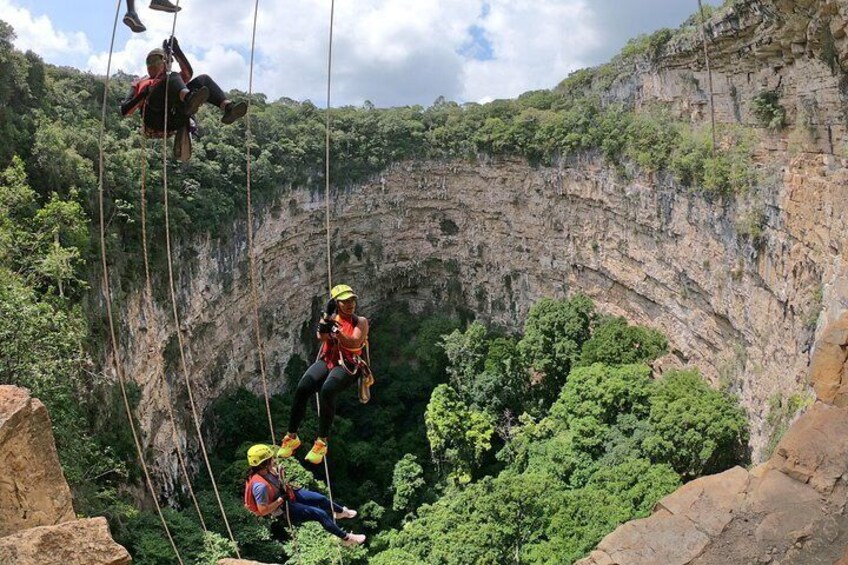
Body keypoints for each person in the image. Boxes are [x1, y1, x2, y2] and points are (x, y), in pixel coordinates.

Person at [279, 284, 370, 465]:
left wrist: (335, 329)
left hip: (348, 365)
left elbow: (354, 342)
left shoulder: (360, 321)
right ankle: (291, 436)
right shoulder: (331, 318)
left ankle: (321, 441)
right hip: (328, 360)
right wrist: (327, 319)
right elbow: (321, 337)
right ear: (336, 303)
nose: (350, 304)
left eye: (352, 300)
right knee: (303, 387)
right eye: (344, 301)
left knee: (328, 389)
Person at [120, 37, 247, 159]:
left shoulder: (174, 81)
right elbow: (125, 110)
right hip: (154, 117)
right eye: (149, 62)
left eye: (156, 60)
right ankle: (189, 99)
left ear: (164, 62)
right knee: (172, 77)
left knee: (203, 79)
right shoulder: (140, 82)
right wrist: (143, 94)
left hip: (174, 117)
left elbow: (188, 73)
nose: (152, 64)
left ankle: (228, 108)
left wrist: (176, 50)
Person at [243, 444, 366, 546]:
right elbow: (263, 510)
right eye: (270, 459)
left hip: (287, 494)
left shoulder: (267, 470)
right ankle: (347, 539)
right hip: (283, 509)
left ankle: (340, 512)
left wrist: (280, 474)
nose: (273, 460)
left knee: (321, 498)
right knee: (320, 514)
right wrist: (281, 500)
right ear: (264, 463)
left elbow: (276, 481)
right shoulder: (260, 486)